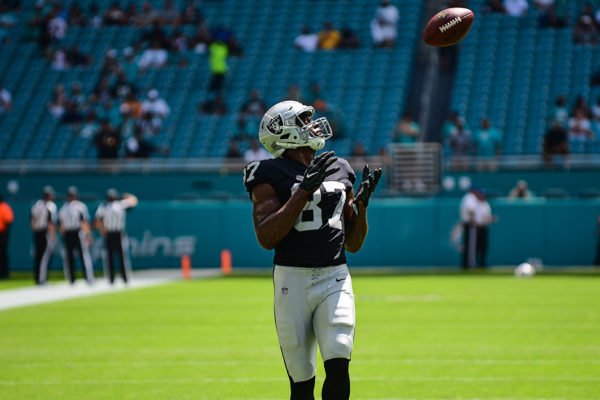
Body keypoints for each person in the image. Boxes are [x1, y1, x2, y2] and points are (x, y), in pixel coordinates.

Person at [242, 100, 382, 400]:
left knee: (339, 359)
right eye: (304, 120)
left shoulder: (339, 168)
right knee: (302, 382)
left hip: (335, 276)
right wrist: (304, 190)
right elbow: (266, 237)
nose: (314, 125)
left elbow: (354, 244)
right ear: (284, 131)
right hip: (292, 282)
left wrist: (363, 206)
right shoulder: (268, 172)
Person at [95, 190, 138, 284]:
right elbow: (134, 200)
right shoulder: (120, 205)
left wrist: (102, 231)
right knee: (122, 257)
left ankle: (111, 279)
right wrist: (127, 195)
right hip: (119, 233)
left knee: (109, 258)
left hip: (109, 234)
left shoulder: (103, 207)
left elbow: (97, 221)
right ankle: (125, 278)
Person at [58, 186, 94, 284]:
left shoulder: (63, 208)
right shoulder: (80, 206)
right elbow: (84, 222)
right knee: (83, 255)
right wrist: (88, 235)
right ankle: (88, 278)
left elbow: (60, 226)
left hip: (69, 233)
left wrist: (64, 234)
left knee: (70, 257)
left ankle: (72, 279)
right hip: (77, 233)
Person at [459, 187, 495, 269]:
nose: (481, 195)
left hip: (482, 226)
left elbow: (484, 215)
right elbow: (471, 211)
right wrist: (473, 220)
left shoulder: (482, 203)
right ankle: (470, 265)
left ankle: (479, 264)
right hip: (472, 225)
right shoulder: (469, 197)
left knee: (481, 247)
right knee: (471, 247)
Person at [30, 186, 58, 285]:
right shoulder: (50, 206)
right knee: (45, 257)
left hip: (37, 232)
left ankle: (37, 278)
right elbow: (50, 223)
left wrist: (36, 231)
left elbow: (32, 221)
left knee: (38, 256)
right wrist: (53, 236)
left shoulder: (36, 205)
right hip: (45, 233)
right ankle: (42, 279)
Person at [0, 192, 14, 280]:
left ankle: (4, 274)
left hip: (2, 234)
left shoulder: (4, 207)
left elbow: (8, 221)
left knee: (3, 254)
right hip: (2, 233)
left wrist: (5, 236)